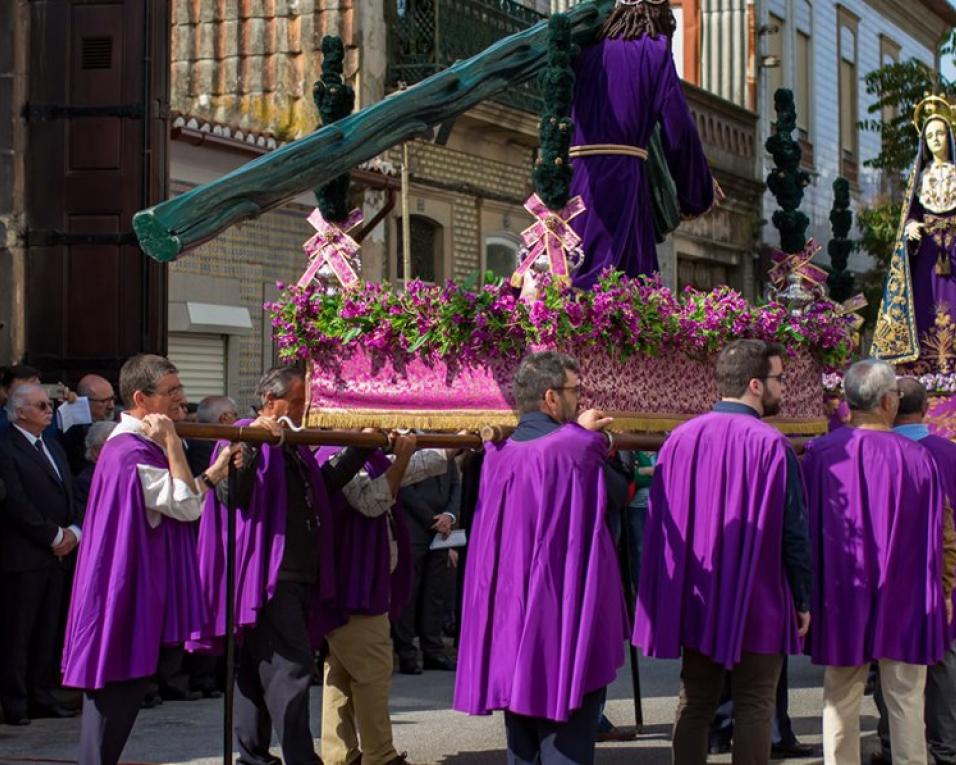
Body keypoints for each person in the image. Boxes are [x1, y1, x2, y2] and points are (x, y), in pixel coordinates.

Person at [634, 338, 811, 765]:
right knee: (754, 703)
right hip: (760, 594)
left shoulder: (679, 439)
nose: (783, 388)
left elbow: (662, 522)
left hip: (698, 591)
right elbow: (794, 533)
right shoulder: (772, 445)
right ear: (755, 384)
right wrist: (803, 598)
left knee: (695, 699)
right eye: (779, 379)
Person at [191, 366, 373, 765]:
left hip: (296, 571)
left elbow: (322, 485)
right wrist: (254, 446)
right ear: (271, 402)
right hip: (269, 576)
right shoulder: (244, 431)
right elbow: (230, 494)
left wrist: (361, 445)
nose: (305, 411)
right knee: (290, 670)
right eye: (298, 403)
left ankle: (254, 757)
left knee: (260, 672)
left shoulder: (293, 440)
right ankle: (299, 759)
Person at [454, 350, 628, 765]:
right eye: (575, 390)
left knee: (522, 743)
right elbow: (617, 494)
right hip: (559, 619)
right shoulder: (573, 445)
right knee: (565, 743)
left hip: (509, 620)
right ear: (551, 397)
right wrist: (594, 437)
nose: (579, 399)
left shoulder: (499, 452)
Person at [61, 354, 234, 765]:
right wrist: (177, 444)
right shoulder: (130, 451)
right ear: (141, 398)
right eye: (172, 393)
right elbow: (185, 506)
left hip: (128, 585)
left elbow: (176, 500)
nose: (183, 401)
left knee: (124, 690)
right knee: (115, 690)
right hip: (120, 592)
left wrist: (212, 472)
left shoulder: (136, 447)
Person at [802, 360, 952, 765]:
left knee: (840, 695)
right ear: (888, 401)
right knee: (905, 696)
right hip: (905, 591)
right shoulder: (918, 458)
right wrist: (945, 585)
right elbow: (943, 532)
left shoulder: (820, 454)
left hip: (840, 592)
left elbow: (802, 529)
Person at [316, 435, 456, 765]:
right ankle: (380, 755)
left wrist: (454, 447)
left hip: (356, 579)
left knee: (341, 672)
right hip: (354, 582)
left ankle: (341, 754)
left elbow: (400, 470)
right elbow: (374, 500)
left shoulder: (357, 452)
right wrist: (405, 455)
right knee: (373, 670)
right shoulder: (334, 451)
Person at [567, 0, 716, 287]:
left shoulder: (582, 51)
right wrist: (697, 192)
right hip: (622, 186)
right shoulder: (654, 50)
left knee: (571, 275)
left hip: (576, 186)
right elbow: (678, 130)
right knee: (625, 290)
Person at [870, 377, 956, 765]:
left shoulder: (875, 451)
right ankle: (945, 748)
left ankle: (892, 746)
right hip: (942, 571)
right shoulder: (946, 452)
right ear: (927, 409)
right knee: (942, 663)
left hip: (887, 575)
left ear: (888, 406)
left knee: (888, 665)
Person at [0, 384, 81, 724]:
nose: (50, 410)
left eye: (49, 405)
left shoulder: (52, 445)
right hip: (25, 556)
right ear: (20, 412)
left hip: (57, 555)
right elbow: (15, 501)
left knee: (48, 630)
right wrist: (52, 534)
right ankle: (16, 702)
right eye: (41, 405)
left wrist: (74, 532)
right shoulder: (6, 447)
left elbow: (71, 492)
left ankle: (42, 694)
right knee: (19, 634)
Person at [874, 97, 956, 362]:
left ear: (949, 137)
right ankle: (928, 368)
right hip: (929, 253)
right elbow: (910, 214)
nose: (935, 139)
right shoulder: (920, 178)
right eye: (929, 135)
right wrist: (910, 227)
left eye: (939, 133)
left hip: (953, 249)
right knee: (925, 306)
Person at [393, 455, 461, 674]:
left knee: (435, 592)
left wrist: (449, 515)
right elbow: (403, 486)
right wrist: (432, 519)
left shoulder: (446, 443)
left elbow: (454, 484)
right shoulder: (411, 442)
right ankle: (406, 652)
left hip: (443, 530)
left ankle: (433, 650)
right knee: (409, 593)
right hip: (415, 526)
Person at [62, 374, 116, 475]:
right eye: (103, 401)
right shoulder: (72, 434)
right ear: (84, 402)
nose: (111, 406)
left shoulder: (120, 419)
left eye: (112, 398)